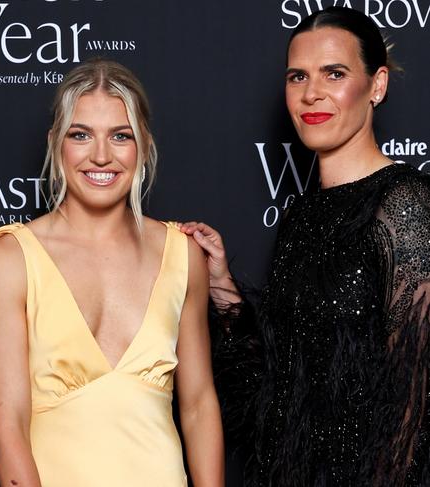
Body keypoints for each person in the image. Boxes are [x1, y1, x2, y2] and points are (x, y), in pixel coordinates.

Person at [181, 6, 430, 486]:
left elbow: (414, 405)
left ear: (376, 85)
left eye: (334, 74)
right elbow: (280, 385)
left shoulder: (405, 204)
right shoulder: (301, 217)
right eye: (298, 76)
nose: (311, 93)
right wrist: (222, 289)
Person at [0, 59, 224, 487]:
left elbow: (199, 405)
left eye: (120, 136)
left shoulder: (183, 255)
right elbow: (6, 428)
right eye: (81, 135)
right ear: (56, 143)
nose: (101, 156)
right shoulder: (10, 259)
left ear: (143, 144)